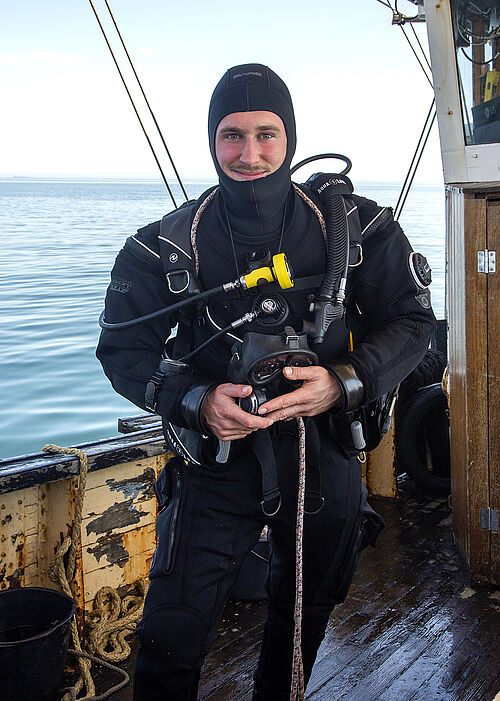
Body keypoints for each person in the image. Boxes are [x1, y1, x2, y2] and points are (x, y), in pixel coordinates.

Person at [96, 63, 436, 700]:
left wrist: (345, 381)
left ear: (291, 139)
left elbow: (413, 321)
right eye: (231, 136)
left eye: (266, 134)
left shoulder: (357, 231)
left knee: (302, 618)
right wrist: (193, 398)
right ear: (211, 140)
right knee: (171, 631)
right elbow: (122, 348)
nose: (248, 154)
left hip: (325, 453)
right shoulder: (164, 246)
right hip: (214, 459)